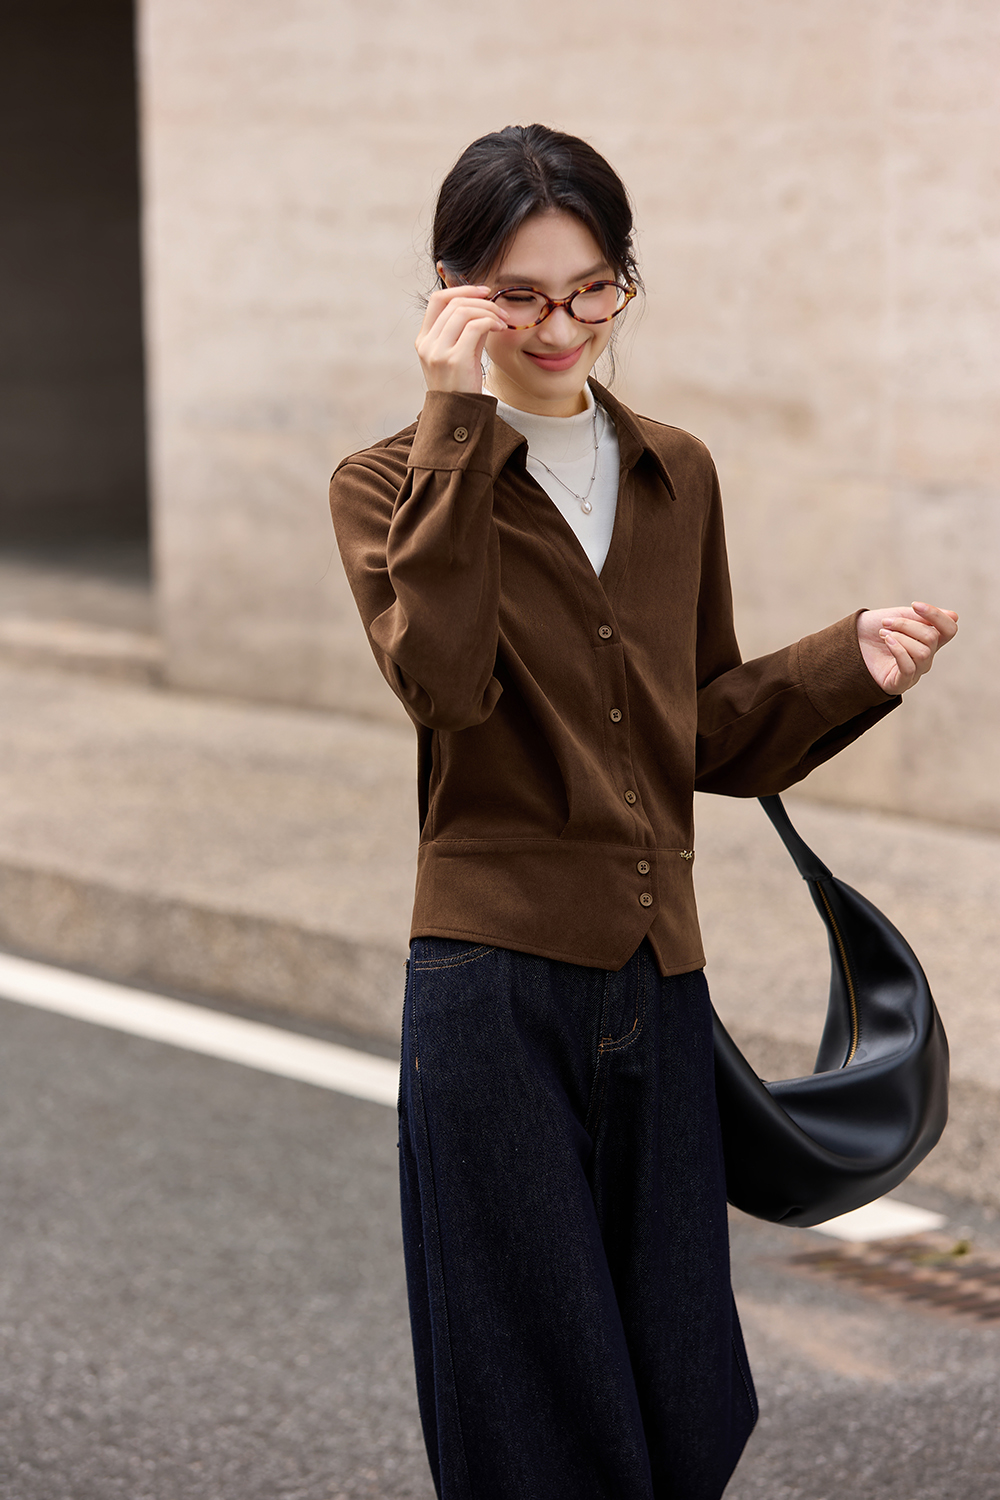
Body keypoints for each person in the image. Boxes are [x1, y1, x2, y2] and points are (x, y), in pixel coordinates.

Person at [328, 124, 957, 1500]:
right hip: (492, 991)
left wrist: (844, 662)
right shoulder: (391, 481)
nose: (561, 327)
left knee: (684, 1394)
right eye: (520, 294)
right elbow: (438, 681)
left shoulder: (676, 469)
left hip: (657, 981)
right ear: (451, 293)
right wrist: (457, 421)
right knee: (534, 1406)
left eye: (594, 288)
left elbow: (701, 728)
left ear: (624, 280)